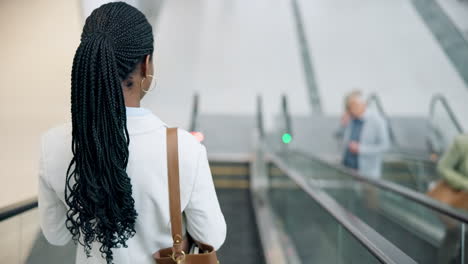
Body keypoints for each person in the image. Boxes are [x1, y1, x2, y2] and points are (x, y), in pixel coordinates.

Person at [38, 3, 226, 264]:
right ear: (146, 65)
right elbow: (211, 236)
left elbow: (56, 235)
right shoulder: (184, 148)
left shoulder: (53, 145)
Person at [341, 91, 390, 178]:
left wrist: (360, 148)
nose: (351, 109)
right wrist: (343, 125)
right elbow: (339, 137)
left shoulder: (377, 120)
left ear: (363, 105)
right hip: (348, 168)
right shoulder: (351, 119)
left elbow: (385, 146)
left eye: (353, 106)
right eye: (349, 106)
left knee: (368, 191)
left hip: (367, 173)